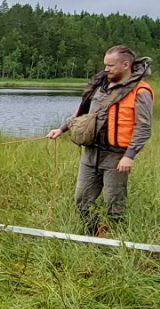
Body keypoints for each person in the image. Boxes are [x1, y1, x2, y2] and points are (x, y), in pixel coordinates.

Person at [47, 46, 154, 236]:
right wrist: (61, 129)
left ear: (126, 65)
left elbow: (144, 128)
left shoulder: (141, 91)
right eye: (105, 65)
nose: (106, 69)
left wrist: (129, 156)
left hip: (116, 156)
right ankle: (94, 234)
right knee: (82, 200)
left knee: (114, 203)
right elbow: (83, 115)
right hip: (91, 153)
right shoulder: (100, 86)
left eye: (111, 65)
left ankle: (116, 240)